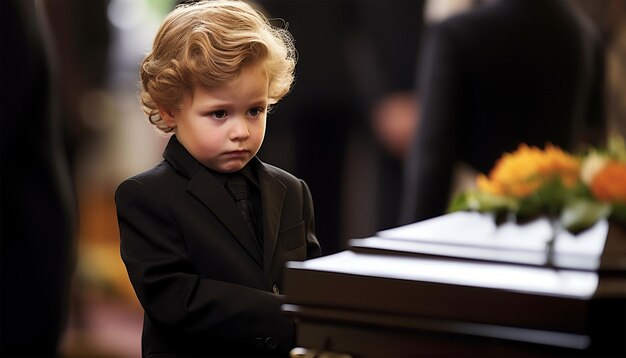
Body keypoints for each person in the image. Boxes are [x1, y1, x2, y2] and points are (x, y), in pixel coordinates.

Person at [114, 1, 322, 356]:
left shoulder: (291, 190)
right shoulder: (146, 196)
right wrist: (283, 313)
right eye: (219, 113)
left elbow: (312, 285)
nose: (241, 131)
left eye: (255, 110)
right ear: (170, 109)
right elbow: (176, 298)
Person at [399, 0, 606, 225]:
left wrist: (408, 253)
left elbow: (431, 168)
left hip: (476, 230)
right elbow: (594, 155)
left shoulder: (454, 35)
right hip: (555, 233)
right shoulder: (586, 34)